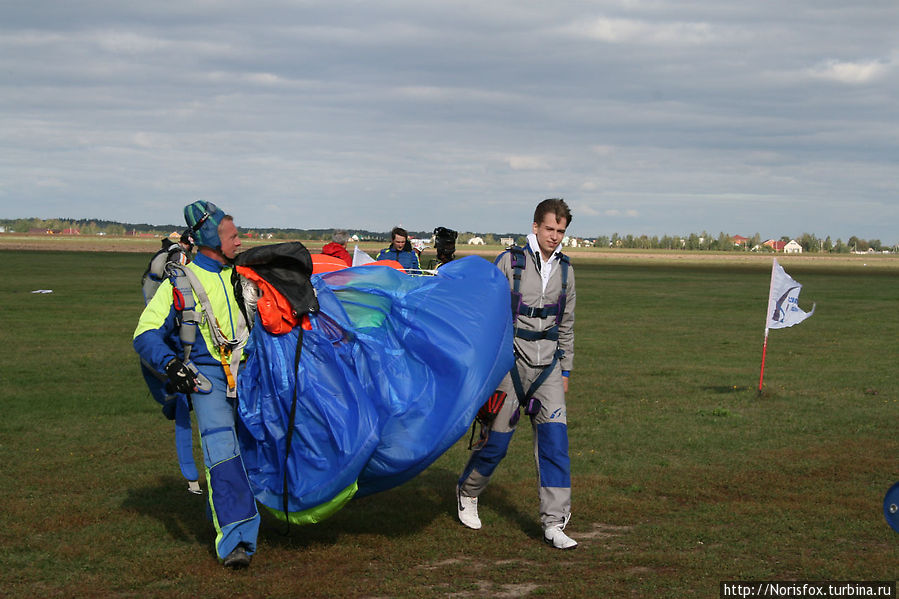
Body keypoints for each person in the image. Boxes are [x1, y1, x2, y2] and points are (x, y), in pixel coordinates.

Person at [133, 200, 258, 568]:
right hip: (207, 380)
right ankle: (237, 541)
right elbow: (145, 333)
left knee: (254, 453)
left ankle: (230, 510)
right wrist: (171, 365)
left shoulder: (247, 276)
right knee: (223, 453)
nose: (240, 240)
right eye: (232, 236)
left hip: (252, 377)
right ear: (210, 240)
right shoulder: (180, 281)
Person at [455, 198, 577, 550]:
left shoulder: (567, 272)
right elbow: (488, 313)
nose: (555, 236)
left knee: (556, 445)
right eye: (550, 229)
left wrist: (565, 369)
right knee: (497, 442)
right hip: (510, 368)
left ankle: (554, 522)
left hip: (548, 369)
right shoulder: (509, 262)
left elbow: (566, 324)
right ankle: (468, 491)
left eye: (561, 231)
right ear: (536, 226)